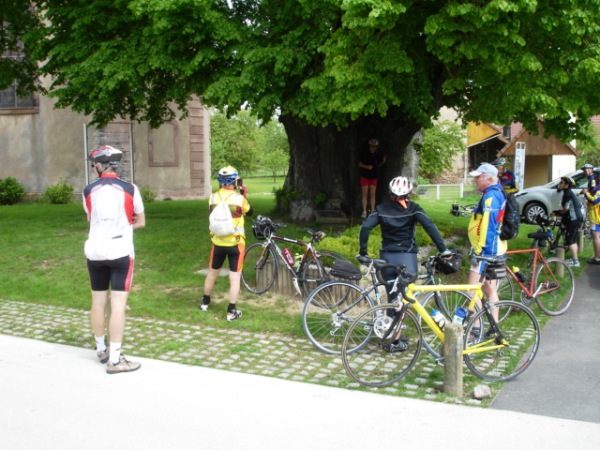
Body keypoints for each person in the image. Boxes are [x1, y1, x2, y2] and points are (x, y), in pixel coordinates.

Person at [83, 145, 145, 374]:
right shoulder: (130, 189)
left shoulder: (88, 190)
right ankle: (116, 360)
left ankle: (101, 349)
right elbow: (141, 221)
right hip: (120, 250)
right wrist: (129, 223)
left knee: (98, 302)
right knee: (117, 306)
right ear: (114, 165)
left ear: (99, 166)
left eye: (94, 165)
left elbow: (92, 219)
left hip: (95, 251)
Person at [359, 175, 450, 289]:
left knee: (392, 301)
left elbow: (365, 227)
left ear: (390, 192)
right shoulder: (413, 209)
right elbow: (429, 226)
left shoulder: (381, 209)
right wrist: (443, 250)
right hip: (407, 256)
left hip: (386, 257)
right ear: (408, 193)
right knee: (407, 298)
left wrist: (363, 252)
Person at [200, 166, 253, 321]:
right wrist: (244, 195)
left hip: (217, 243)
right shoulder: (239, 199)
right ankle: (231, 311)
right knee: (234, 278)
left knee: (212, 273)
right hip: (236, 244)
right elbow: (250, 212)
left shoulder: (213, 198)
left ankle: (205, 302)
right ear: (235, 181)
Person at [467, 163, 507, 318]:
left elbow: (489, 226)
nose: (475, 180)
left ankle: (476, 328)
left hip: (486, 251)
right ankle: (494, 328)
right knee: (489, 290)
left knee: (471, 291)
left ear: (489, 178)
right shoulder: (493, 193)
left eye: (478, 177)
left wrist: (480, 251)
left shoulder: (491, 197)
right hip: (492, 249)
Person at [553, 176, 583, 267]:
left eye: (561, 183)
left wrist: (557, 213)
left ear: (567, 185)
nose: (559, 184)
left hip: (573, 219)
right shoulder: (568, 193)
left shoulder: (568, 194)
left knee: (570, 240)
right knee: (573, 239)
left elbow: (566, 208)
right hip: (577, 219)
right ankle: (575, 259)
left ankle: (575, 261)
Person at [358, 138, 387, 219]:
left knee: (372, 194)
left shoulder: (378, 155)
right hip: (365, 176)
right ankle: (364, 211)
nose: (372, 148)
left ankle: (372, 210)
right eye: (371, 146)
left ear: (376, 147)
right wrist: (366, 167)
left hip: (374, 176)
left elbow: (378, 166)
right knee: (364, 194)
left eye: (374, 146)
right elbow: (359, 164)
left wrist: (383, 162)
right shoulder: (364, 154)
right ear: (369, 146)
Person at [581, 168, 600, 264]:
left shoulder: (599, 187)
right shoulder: (596, 186)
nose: (594, 177)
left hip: (596, 216)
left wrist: (586, 193)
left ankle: (597, 258)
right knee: (596, 235)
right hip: (595, 214)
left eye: (595, 175)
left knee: (595, 235)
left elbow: (595, 200)